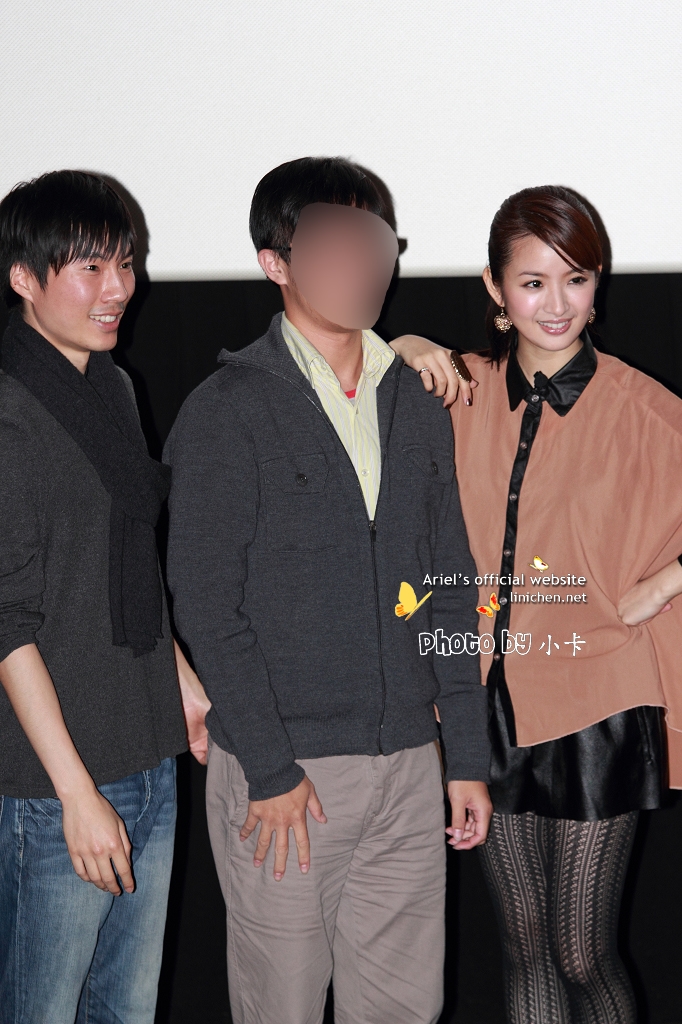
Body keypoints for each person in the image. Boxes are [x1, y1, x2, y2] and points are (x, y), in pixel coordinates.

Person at [164, 156, 491, 1024]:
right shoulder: (228, 408)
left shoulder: (414, 399)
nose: (360, 264)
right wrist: (269, 768)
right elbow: (206, 602)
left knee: (405, 1008)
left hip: (409, 766)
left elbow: (450, 584)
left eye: (373, 244)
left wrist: (464, 754)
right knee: (282, 1006)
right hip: (288, 774)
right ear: (276, 262)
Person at [389, 185, 682, 1024]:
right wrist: (408, 342)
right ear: (494, 288)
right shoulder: (458, 387)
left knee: (583, 949)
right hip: (488, 702)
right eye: (533, 282)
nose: (558, 304)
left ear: (598, 283)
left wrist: (666, 581)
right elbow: (362, 369)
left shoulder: (644, 408)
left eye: (577, 279)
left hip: (601, 699)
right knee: (524, 946)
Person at [0, 170, 210, 1024]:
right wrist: (74, 794)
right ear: (23, 277)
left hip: (147, 747)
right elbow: (6, 625)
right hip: (58, 782)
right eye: (91, 267)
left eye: (125, 262)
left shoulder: (111, 387)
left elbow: (129, 559)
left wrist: (181, 678)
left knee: (125, 1011)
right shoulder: (10, 414)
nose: (119, 287)